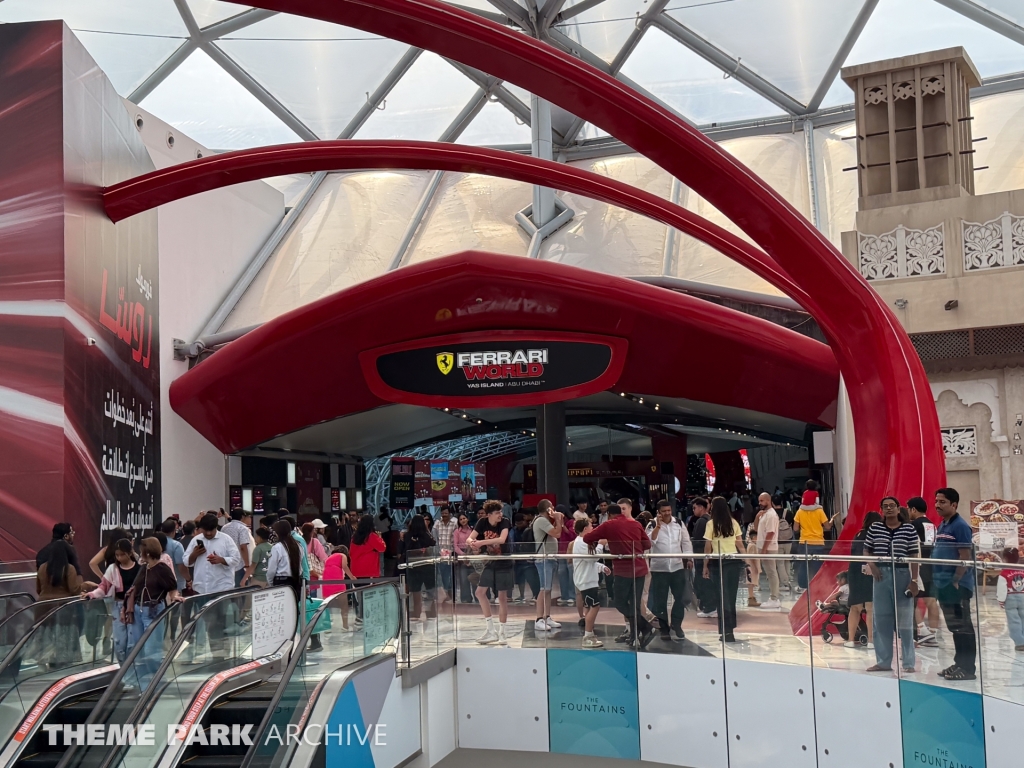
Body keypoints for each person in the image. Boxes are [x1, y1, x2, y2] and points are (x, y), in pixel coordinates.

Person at [583, 498, 655, 649]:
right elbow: (647, 544)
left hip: (623, 571)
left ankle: (646, 627)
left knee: (620, 602)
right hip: (640, 568)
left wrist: (604, 542)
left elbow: (587, 537)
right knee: (634, 603)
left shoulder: (609, 524)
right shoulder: (635, 524)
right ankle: (637, 635)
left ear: (609, 514)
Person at [864, 497, 920, 674]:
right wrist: (872, 565)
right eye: (885, 506)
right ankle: (883, 661)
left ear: (898, 508)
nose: (889, 509)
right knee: (881, 619)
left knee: (905, 620)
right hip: (880, 575)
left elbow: (914, 556)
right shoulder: (875, 528)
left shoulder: (908, 528)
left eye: (892, 506)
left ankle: (909, 663)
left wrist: (914, 581)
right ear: (881, 509)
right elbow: (867, 549)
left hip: (903, 573)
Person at [932, 487, 977, 681]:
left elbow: (965, 556)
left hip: (957, 585)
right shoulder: (943, 525)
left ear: (954, 504)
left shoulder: (960, 526)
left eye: (942, 502)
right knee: (954, 627)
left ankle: (968, 668)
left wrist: (956, 580)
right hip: (943, 585)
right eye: (936, 501)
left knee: (963, 626)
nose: (937, 505)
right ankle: (959, 663)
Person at [82, 538, 141, 663]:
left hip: (135, 607)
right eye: (117, 555)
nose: (119, 557)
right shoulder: (113, 569)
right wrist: (91, 595)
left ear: (130, 553)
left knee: (133, 641)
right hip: (118, 606)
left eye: (122, 554)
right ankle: (122, 669)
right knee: (119, 641)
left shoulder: (140, 568)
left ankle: (131, 671)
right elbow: (103, 587)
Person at [646, 499, 693, 642]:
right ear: (658, 512)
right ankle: (663, 628)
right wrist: (658, 527)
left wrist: (689, 558)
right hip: (659, 568)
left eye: (669, 510)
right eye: (664, 511)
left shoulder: (678, 523)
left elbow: (685, 541)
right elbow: (648, 543)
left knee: (681, 598)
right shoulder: (652, 524)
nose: (667, 513)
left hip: (677, 566)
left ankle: (677, 624)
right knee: (660, 600)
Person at [467, 499, 513, 644]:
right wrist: (472, 543)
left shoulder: (505, 522)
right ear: (489, 515)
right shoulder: (482, 522)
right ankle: (490, 630)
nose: (500, 515)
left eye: (500, 512)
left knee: (502, 597)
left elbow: (502, 539)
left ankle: (503, 632)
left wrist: (482, 542)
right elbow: (470, 537)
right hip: (491, 561)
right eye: (497, 513)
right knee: (480, 592)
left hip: (504, 562)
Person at [702, 496, 745, 643]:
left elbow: (708, 546)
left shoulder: (711, 524)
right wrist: (747, 561)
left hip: (717, 561)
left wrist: (705, 565)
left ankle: (724, 630)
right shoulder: (734, 523)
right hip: (733, 561)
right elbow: (740, 544)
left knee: (721, 597)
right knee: (731, 597)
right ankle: (730, 631)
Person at [906, 496, 939, 647]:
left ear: (913, 509)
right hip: (931, 564)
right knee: (931, 601)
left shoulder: (912, 525)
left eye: (908, 509)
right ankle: (933, 634)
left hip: (917, 566)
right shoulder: (933, 525)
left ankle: (922, 630)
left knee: (911, 601)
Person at [572, 517, 610, 648]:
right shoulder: (581, 542)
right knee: (595, 606)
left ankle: (590, 633)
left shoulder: (584, 542)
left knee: (589, 607)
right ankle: (587, 635)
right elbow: (592, 557)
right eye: (591, 526)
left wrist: (601, 567)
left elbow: (591, 561)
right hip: (586, 581)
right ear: (585, 529)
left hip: (589, 580)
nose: (593, 528)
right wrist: (601, 544)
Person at [845, 511, 880, 650]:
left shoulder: (858, 534)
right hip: (870, 570)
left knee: (855, 607)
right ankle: (871, 641)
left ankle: (850, 639)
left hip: (854, 572)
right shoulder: (876, 535)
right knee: (870, 607)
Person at [793, 481, 835, 593]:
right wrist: (831, 520)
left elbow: (795, 528)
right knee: (818, 566)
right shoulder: (819, 511)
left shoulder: (800, 511)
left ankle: (802, 587)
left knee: (803, 565)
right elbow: (827, 527)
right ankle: (818, 586)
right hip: (818, 543)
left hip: (804, 543)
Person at [185, 514, 242, 595]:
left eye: (211, 530)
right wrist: (194, 554)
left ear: (216, 527)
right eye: (206, 530)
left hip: (222, 588)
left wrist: (221, 560)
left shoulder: (226, 539)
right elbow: (186, 562)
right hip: (201, 588)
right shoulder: (196, 540)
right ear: (201, 529)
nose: (208, 533)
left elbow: (236, 559)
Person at [532, 499, 565, 632]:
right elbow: (557, 533)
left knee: (548, 589)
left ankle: (547, 616)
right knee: (544, 588)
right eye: (552, 507)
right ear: (548, 509)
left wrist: (558, 519)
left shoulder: (546, 521)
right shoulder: (541, 520)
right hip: (543, 559)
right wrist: (557, 519)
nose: (554, 509)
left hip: (550, 558)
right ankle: (539, 619)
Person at [402, 515, 437, 629]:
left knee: (414, 591)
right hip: (427, 566)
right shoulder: (427, 535)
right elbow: (433, 544)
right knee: (430, 590)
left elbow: (406, 548)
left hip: (413, 567)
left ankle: (414, 613)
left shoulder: (407, 535)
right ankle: (431, 612)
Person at [753, 492, 782, 610]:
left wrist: (764, 549)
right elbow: (756, 529)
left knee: (771, 572)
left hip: (768, 548)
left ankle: (774, 598)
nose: (760, 503)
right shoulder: (764, 514)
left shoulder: (771, 515)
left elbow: (770, 533)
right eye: (759, 501)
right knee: (769, 573)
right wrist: (756, 517)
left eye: (762, 501)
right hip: (763, 547)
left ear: (768, 501)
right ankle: (773, 597)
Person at [689, 498, 716, 618]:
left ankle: (708, 607)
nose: (693, 510)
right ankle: (710, 606)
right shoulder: (711, 520)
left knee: (702, 582)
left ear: (701, 507)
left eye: (694, 508)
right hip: (709, 556)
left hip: (701, 556)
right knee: (707, 582)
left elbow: (699, 540)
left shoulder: (701, 522)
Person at [996, 548, 1024, 651]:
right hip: (1022, 597)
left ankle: (1020, 642)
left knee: (1013, 621)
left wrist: (1001, 600)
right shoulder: (1022, 570)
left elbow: (1002, 588)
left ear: (1005, 559)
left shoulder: (1004, 573)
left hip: (1010, 599)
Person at [323, 544, 354, 630]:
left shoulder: (329, 557)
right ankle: (345, 626)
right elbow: (344, 566)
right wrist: (352, 577)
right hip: (336, 577)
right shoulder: (342, 555)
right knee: (344, 604)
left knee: (326, 605)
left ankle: (327, 627)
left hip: (326, 578)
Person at [510, 512, 539, 605]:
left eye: (521, 523)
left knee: (531, 577)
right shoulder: (513, 531)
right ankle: (521, 595)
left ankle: (536, 595)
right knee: (519, 578)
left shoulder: (530, 530)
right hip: (518, 556)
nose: (519, 525)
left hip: (528, 557)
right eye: (517, 523)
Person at [220, 509, 252, 588]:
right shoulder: (243, 528)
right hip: (238, 564)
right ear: (242, 517)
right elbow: (243, 547)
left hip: (225, 562)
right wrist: (247, 565)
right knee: (240, 589)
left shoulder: (224, 527)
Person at [433, 506, 458, 603]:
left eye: (446, 513)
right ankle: (445, 594)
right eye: (442, 513)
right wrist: (438, 550)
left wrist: (454, 552)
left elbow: (456, 537)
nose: (444, 515)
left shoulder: (455, 522)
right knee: (443, 574)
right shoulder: (437, 523)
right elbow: (435, 538)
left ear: (450, 513)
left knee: (450, 575)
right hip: (440, 553)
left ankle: (451, 595)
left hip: (451, 552)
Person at [160, 519, 190, 595]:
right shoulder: (176, 545)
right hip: (175, 584)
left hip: (158, 584)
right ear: (174, 531)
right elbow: (181, 566)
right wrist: (188, 580)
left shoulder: (155, 542)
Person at [453, 513, 475, 604]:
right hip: (462, 556)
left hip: (473, 554)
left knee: (475, 578)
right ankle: (466, 599)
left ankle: (478, 598)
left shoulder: (473, 530)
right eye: (461, 519)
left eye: (464, 518)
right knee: (463, 579)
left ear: (467, 519)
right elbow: (455, 546)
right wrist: (463, 555)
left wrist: (471, 554)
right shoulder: (457, 531)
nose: (463, 520)